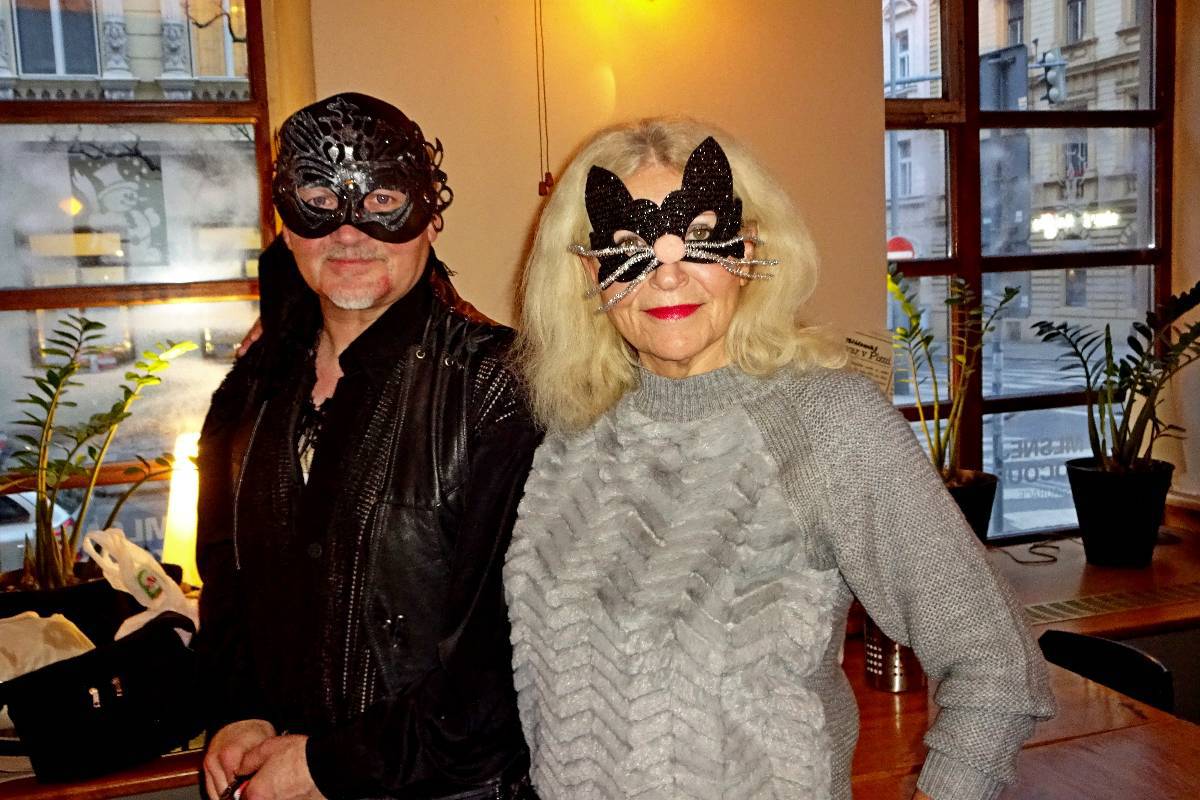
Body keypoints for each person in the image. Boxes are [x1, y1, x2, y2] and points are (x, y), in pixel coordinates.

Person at [504, 118, 1055, 800]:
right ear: (591, 272)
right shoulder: (574, 426)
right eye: (628, 247)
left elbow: (997, 666)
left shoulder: (825, 420)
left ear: (749, 250)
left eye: (700, 236)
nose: (668, 274)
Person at [195, 93, 541, 800]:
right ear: (284, 221)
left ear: (432, 216)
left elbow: (506, 662)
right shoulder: (248, 393)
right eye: (320, 200)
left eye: (382, 199)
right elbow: (226, 587)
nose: (349, 231)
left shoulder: (500, 390)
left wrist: (328, 767)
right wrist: (239, 711)